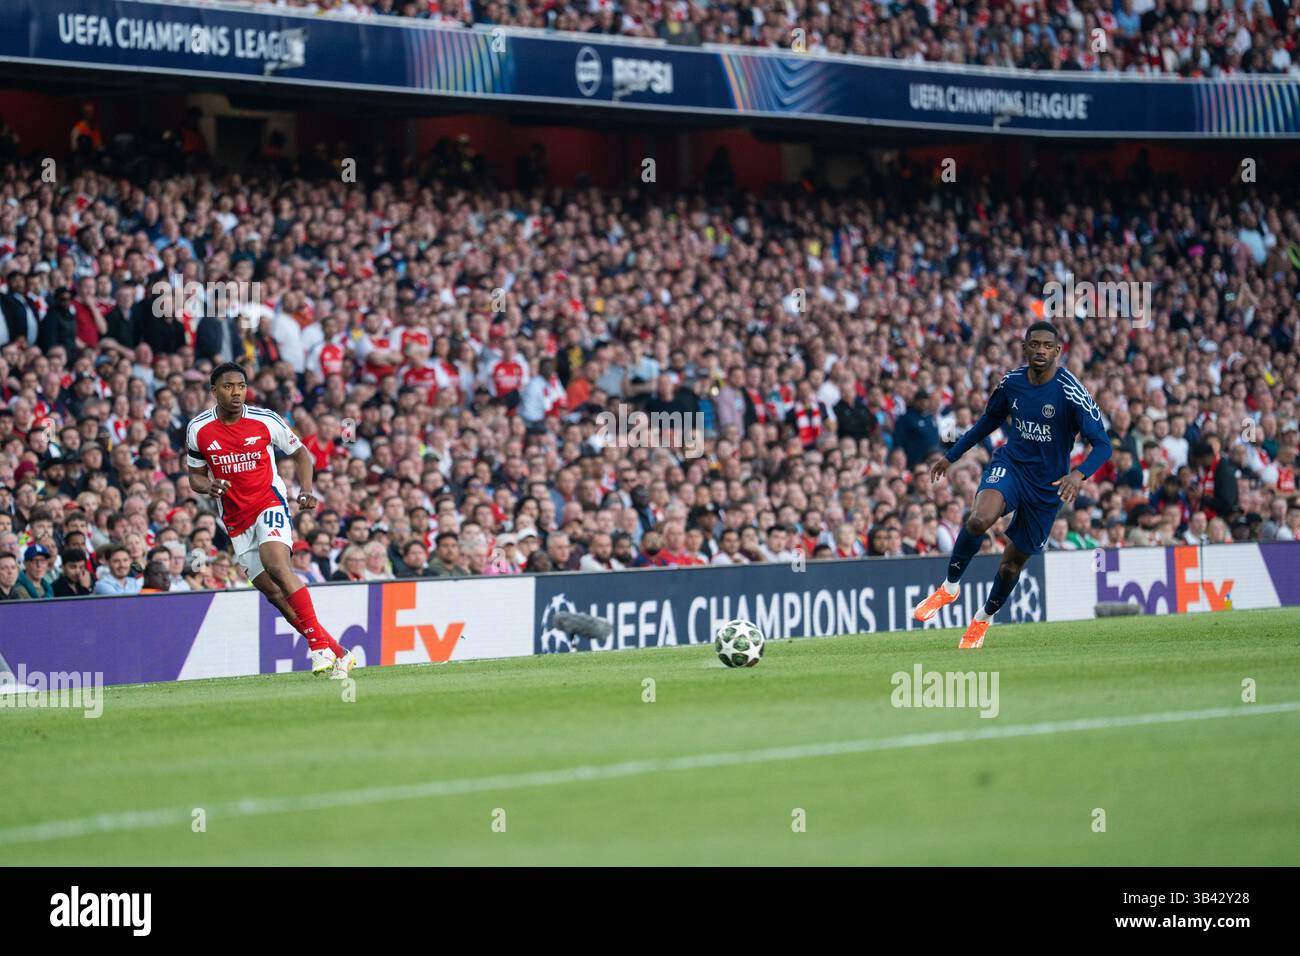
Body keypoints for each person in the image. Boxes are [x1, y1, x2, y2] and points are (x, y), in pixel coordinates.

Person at [913, 322, 1112, 648]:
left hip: (1050, 485)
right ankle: (949, 588)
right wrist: (952, 456)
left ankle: (982, 619)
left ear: (1058, 351)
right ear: (1025, 347)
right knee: (978, 519)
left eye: (1048, 346)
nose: (1040, 351)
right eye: (1034, 344)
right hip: (1012, 466)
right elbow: (989, 421)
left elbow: (1103, 444)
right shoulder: (1012, 383)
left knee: (1011, 564)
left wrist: (1079, 474)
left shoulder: (1071, 391)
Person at [186, 362, 355, 678]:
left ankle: (317, 647)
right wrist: (208, 486)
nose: (236, 392)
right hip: (236, 519)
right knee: (274, 595)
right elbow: (194, 476)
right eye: (228, 386)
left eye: (241, 385)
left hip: (269, 501)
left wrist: (305, 490)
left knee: (277, 564)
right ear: (213, 391)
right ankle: (338, 652)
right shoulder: (198, 429)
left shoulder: (265, 419)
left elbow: (301, 453)